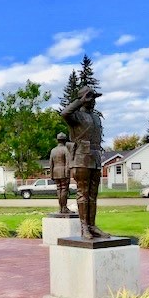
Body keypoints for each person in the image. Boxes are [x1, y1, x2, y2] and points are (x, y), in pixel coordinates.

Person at [61, 86, 110, 239]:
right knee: (83, 193)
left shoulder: (95, 117)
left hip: (95, 157)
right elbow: (64, 113)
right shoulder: (76, 116)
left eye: (94, 97)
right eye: (89, 97)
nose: (93, 100)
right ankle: (84, 227)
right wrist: (79, 101)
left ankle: (92, 225)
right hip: (81, 158)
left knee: (93, 195)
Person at [49, 132, 73, 214]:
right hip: (63, 172)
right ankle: (64, 207)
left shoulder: (53, 150)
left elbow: (50, 164)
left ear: (57, 140)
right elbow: (67, 162)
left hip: (55, 172)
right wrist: (67, 173)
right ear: (64, 140)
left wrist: (51, 174)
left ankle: (61, 207)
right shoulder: (66, 149)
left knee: (59, 189)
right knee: (64, 189)